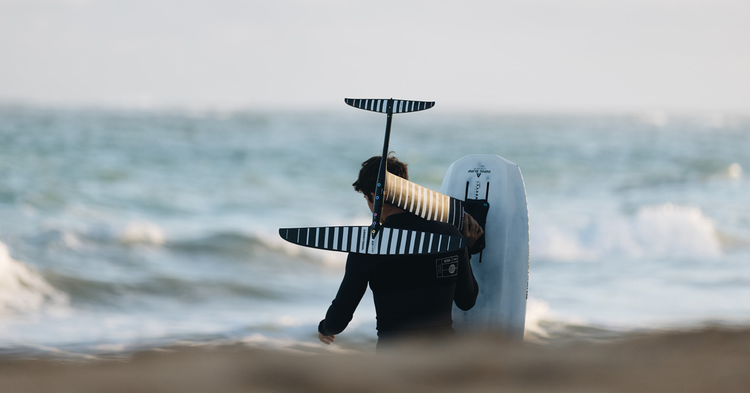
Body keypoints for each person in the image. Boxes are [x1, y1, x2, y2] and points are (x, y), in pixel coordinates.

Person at [318, 155, 481, 350]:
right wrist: (465, 249)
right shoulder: (449, 235)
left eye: (365, 199)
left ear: (373, 196)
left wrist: (325, 328)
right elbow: (466, 301)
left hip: (394, 359)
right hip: (443, 358)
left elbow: (340, 317)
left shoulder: (368, 247)